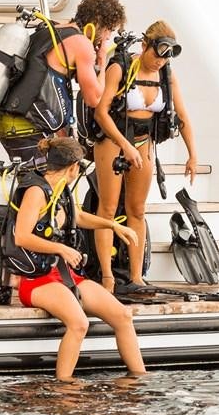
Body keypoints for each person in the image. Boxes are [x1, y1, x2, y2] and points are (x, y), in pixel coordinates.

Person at [8, 136, 147, 381]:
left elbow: (78, 217)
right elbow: (21, 236)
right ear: (73, 167)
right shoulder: (35, 191)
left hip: (65, 275)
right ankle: (65, 384)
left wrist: (113, 225)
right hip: (37, 279)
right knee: (79, 324)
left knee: (123, 316)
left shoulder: (61, 190)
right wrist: (61, 249)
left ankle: (139, 379)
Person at [91, 20, 199, 293]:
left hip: (143, 141)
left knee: (137, 210)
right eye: (157, 55)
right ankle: (107, 277)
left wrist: (192, 154)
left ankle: (136, 277)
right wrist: (124, 145)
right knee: (108, 208)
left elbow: (182, 117)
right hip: (113, 140)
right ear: (145, 45)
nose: (160, 62)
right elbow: (101, 112)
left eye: (166, 58)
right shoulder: (121, 67)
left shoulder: (167, 76)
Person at [0, 0, 126, 163]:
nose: (108, 37)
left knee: (39, 177)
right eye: (110, 30)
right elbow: (94, 99)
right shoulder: (82, 44)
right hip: (28, 128)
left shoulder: (52, 30)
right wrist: (101, 60)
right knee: (45, 180)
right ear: (98, 22)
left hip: (8, 123)